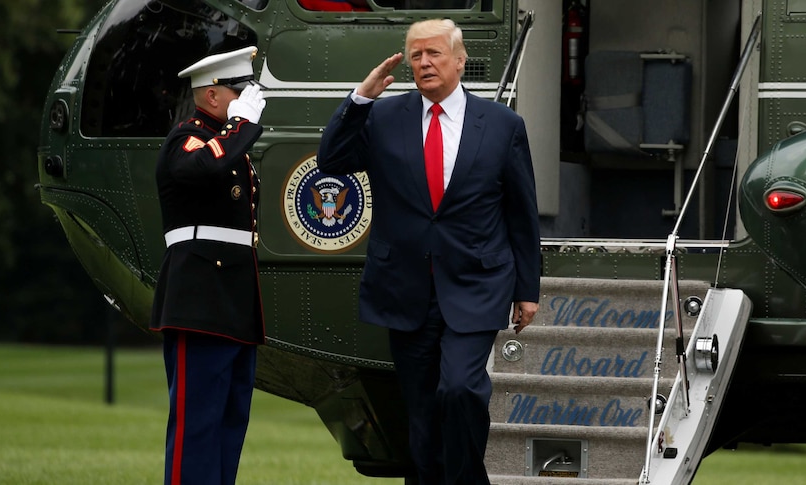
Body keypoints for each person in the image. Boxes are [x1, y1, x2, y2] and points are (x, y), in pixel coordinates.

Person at [317, 19, 541, 485]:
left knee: (460, 389)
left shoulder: (502, 126)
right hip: (405, 287)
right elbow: (331, 160)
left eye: (434, 53)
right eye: (415, 54)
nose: (423, 62)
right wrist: (362, 98)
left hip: (476, 285)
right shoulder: (383, 117)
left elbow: (522, 214)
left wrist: (527, 289)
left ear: (460, 61)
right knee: (420, 415)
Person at [150, 45, 267, 485]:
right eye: (237, 90)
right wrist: (240, 126)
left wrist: (237, 130)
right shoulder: (188, 138)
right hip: (199, 296)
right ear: (212, 95)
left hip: (234, 298)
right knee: (197, 422)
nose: (247, 97)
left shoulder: (227, 143)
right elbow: (201, 169)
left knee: (231, 419)